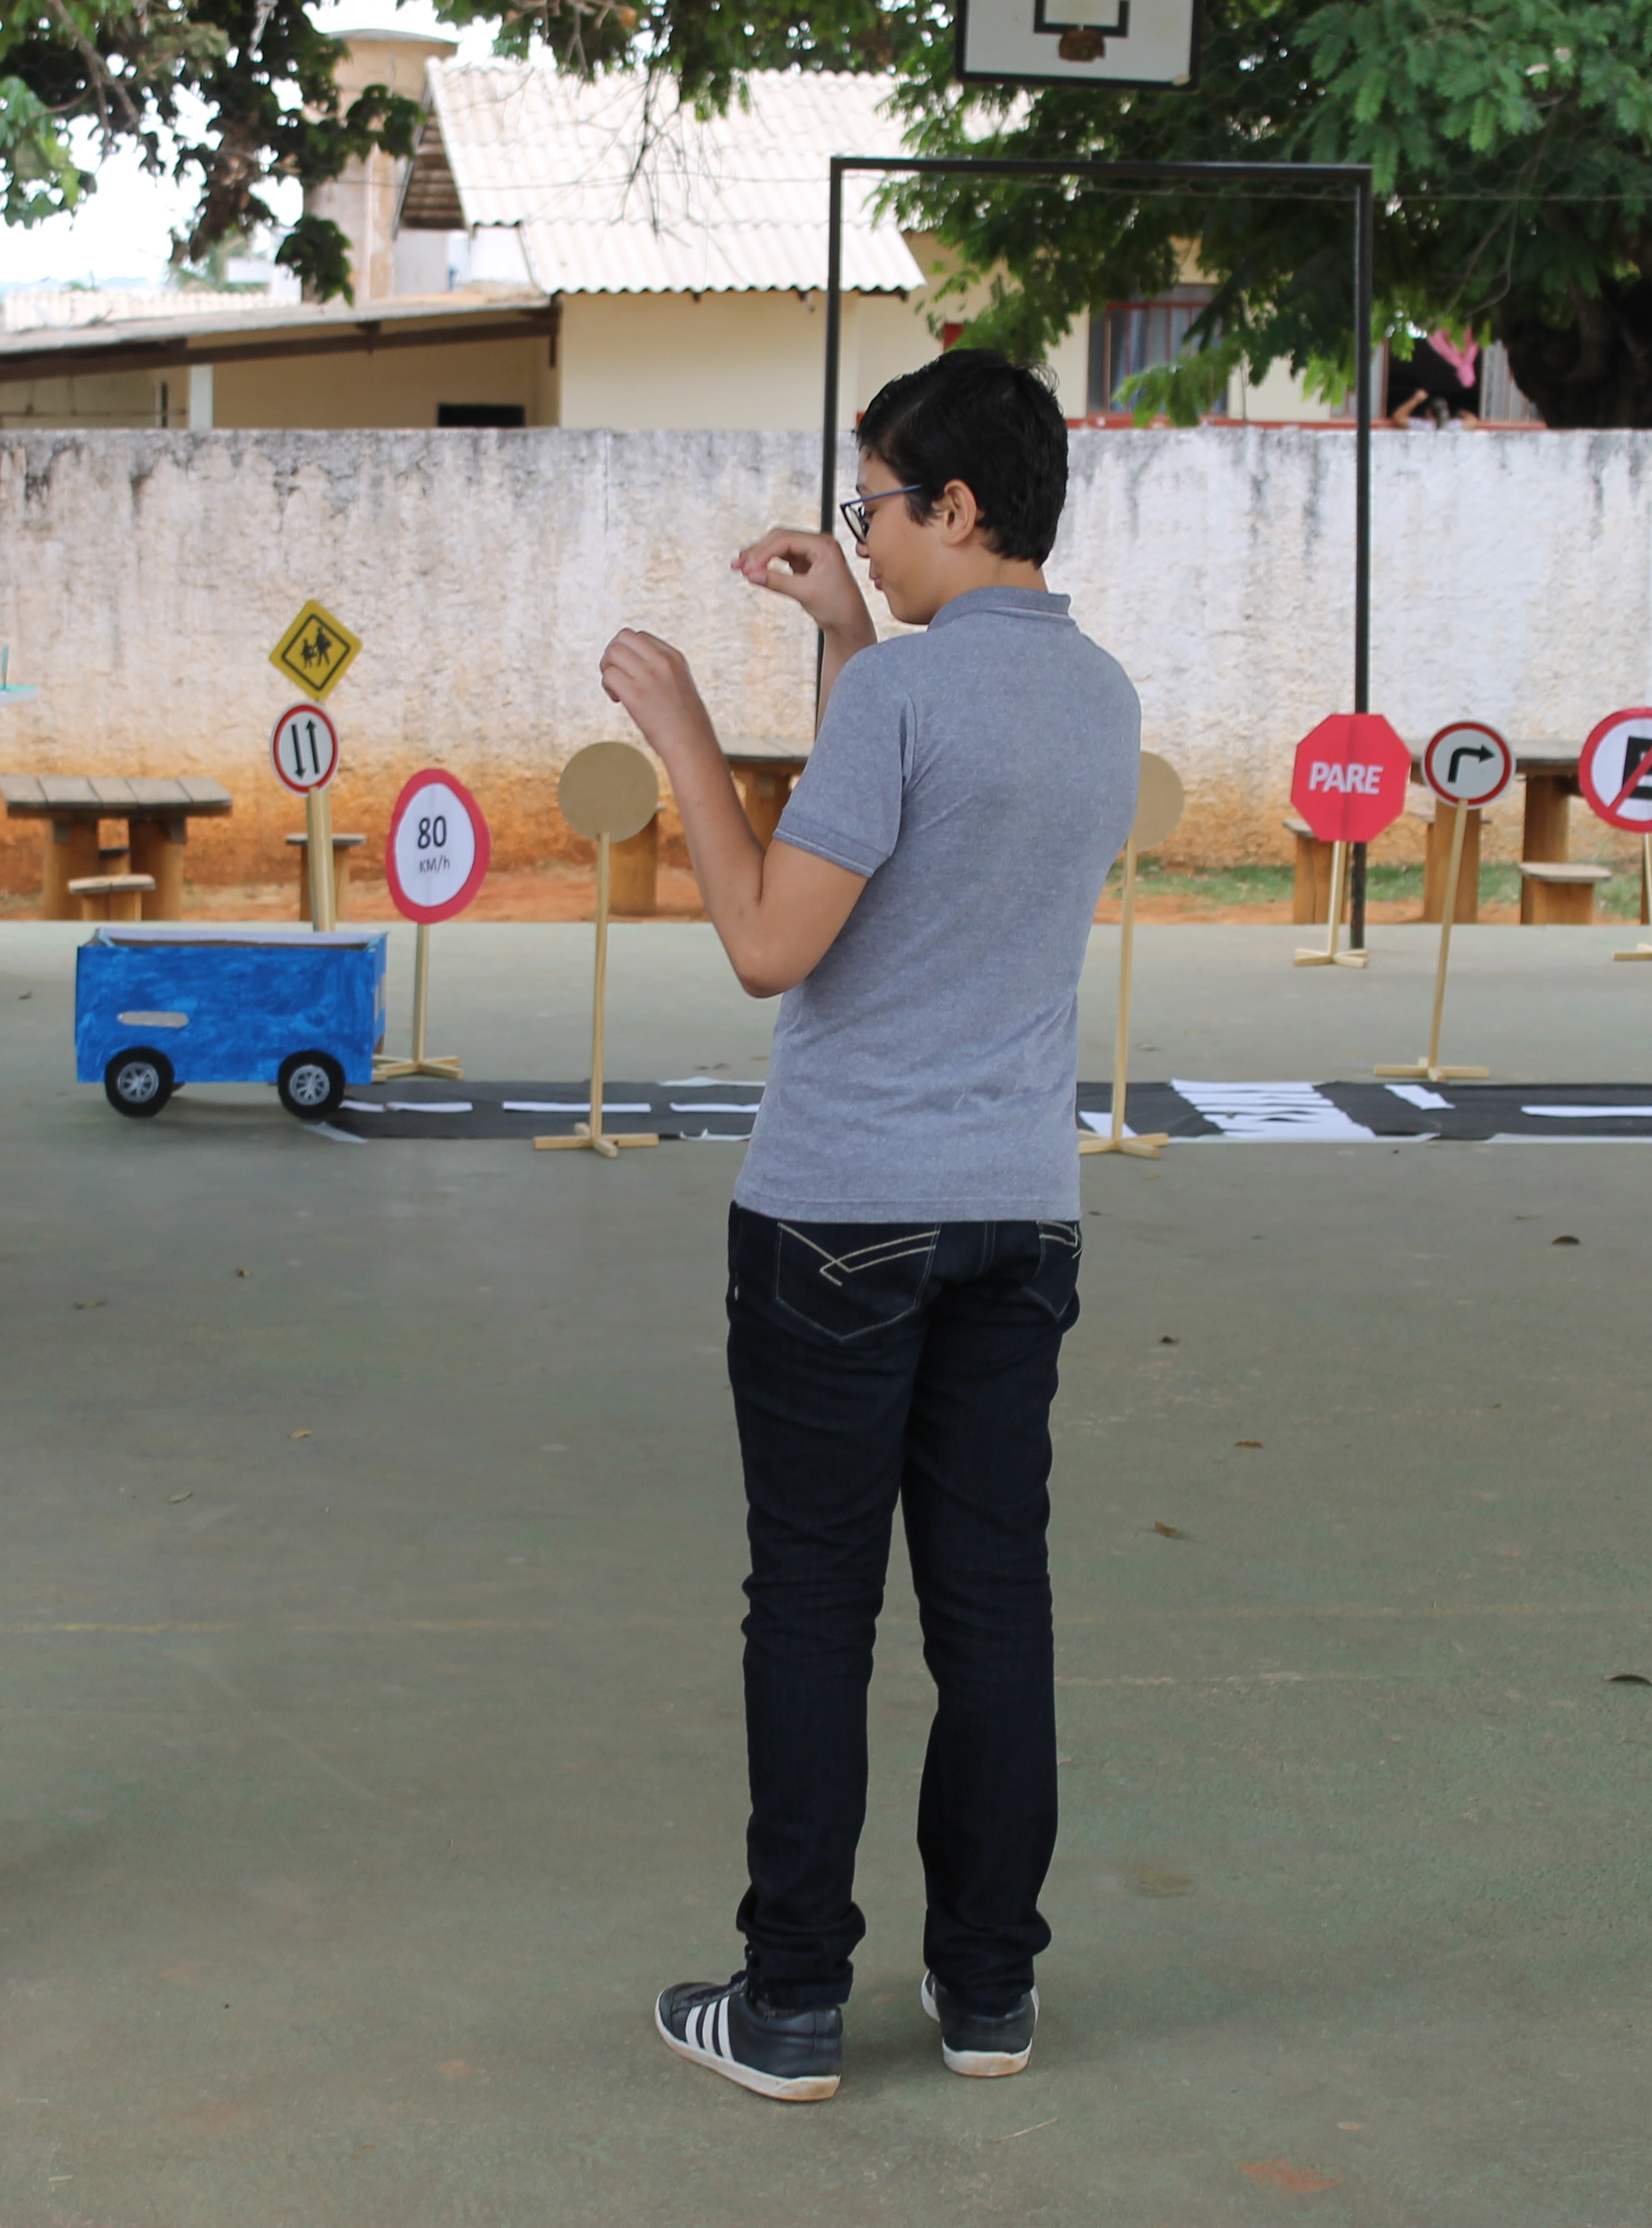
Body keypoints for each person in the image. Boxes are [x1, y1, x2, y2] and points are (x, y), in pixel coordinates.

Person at [598, 349, 1140, 2101]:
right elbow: (928, 843)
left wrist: (682, 732)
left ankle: (792, 1999)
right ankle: (988, 1991)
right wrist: (845, 633)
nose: (869, 539)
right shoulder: (1101, 694)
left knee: (817, 1603)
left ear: (956, 506)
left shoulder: (907, 701)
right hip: (1014, 1211)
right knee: (994, 1606)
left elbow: (774, 938)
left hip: (840, 1213)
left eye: (877, 509)